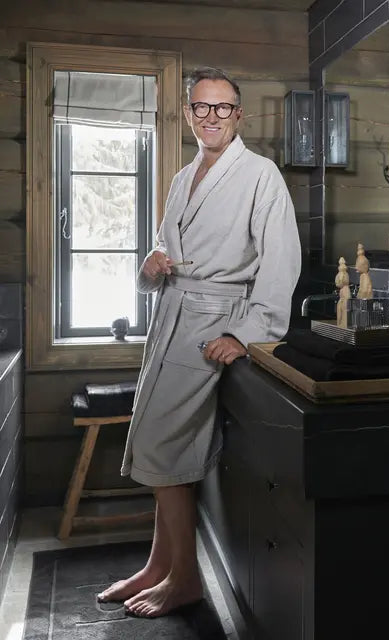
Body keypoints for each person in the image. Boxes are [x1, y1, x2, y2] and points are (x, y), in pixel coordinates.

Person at [97, 67, 301, 618]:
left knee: (161, 443)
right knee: (157, 442)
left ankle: (185, 577)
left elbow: (281, 261)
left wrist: (245, 333)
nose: (212, 117)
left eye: (223, 107)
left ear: (239, 114)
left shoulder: (260, 175)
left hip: (213, 319)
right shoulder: (182, 178)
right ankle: (159, 564)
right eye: (202, 107)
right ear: (189, 113)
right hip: (171, 315)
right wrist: (151, 266)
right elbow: (166, 251)